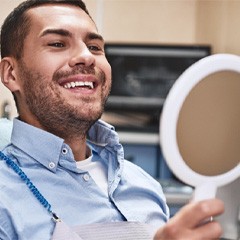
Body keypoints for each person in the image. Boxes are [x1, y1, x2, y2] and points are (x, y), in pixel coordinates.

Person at [0, 0, 224, 239]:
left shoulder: (145, 185)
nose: (86, 57)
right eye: (57, 43)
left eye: (95, 47)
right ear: (11, 74)